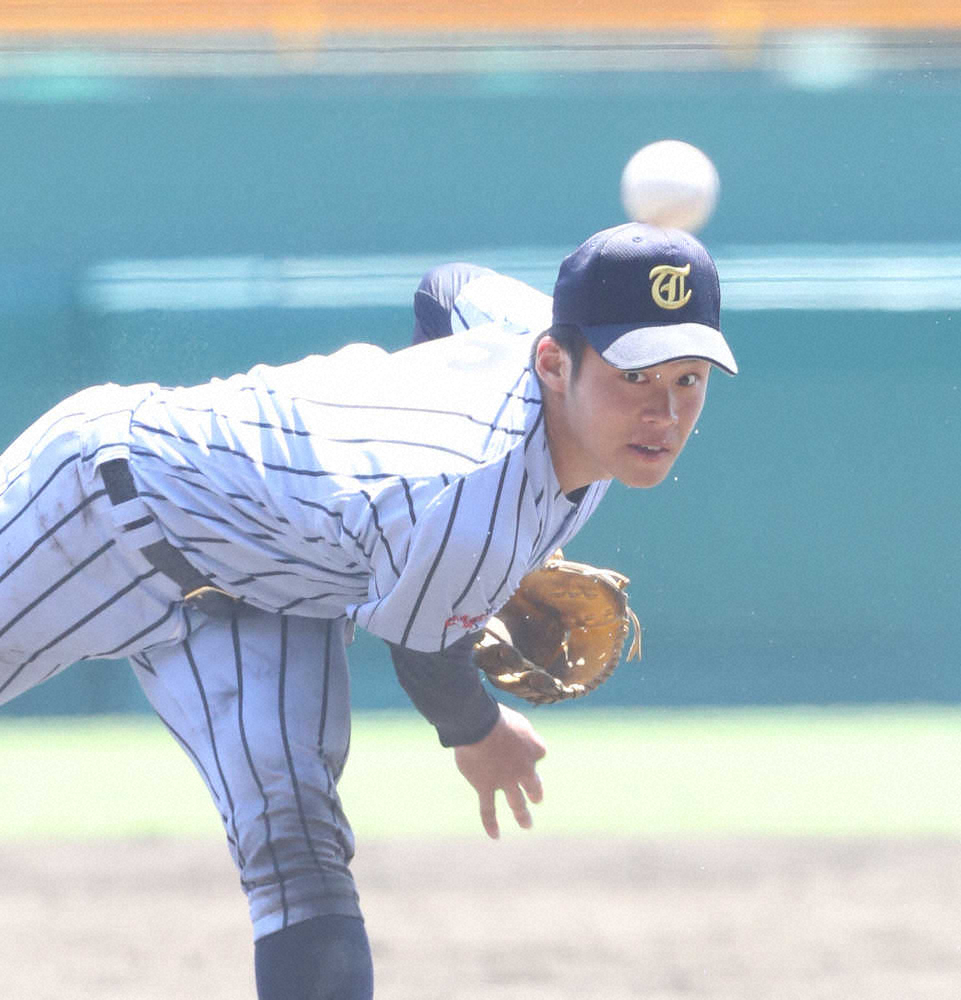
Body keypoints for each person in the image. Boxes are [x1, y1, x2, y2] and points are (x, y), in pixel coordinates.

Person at [0, 222, 736, 999]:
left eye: (687, 379)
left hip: (272, 592)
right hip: (101, 501)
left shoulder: (534, 364)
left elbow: (447, 285)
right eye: (632, 377)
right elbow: (425, 657)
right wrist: (480, 734)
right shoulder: (466, 492)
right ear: (554, 362)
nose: (663, 412)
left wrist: (420, 510)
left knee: (300, 857)